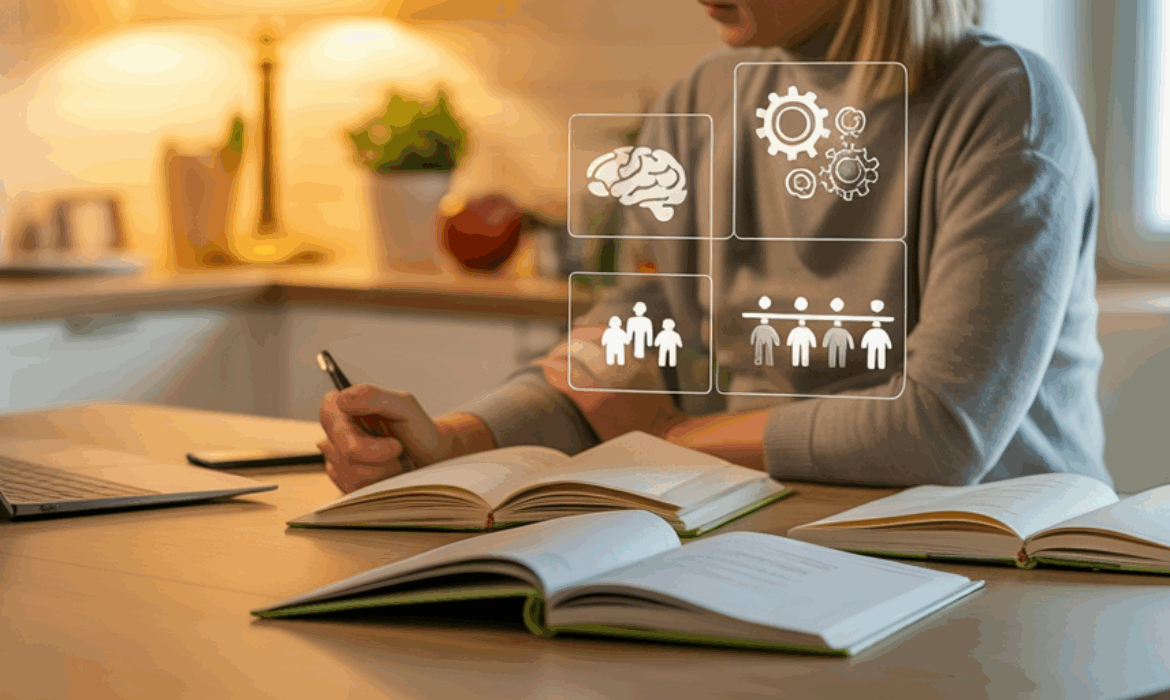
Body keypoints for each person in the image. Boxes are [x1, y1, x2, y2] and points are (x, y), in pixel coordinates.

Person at [317, 0, 1111, 494]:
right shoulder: (701, 98)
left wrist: (669, 444)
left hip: (1007, 562)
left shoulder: (1008, 107)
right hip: (782, 531)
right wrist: (452, 442)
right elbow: (634, 338)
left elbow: (942, 433)